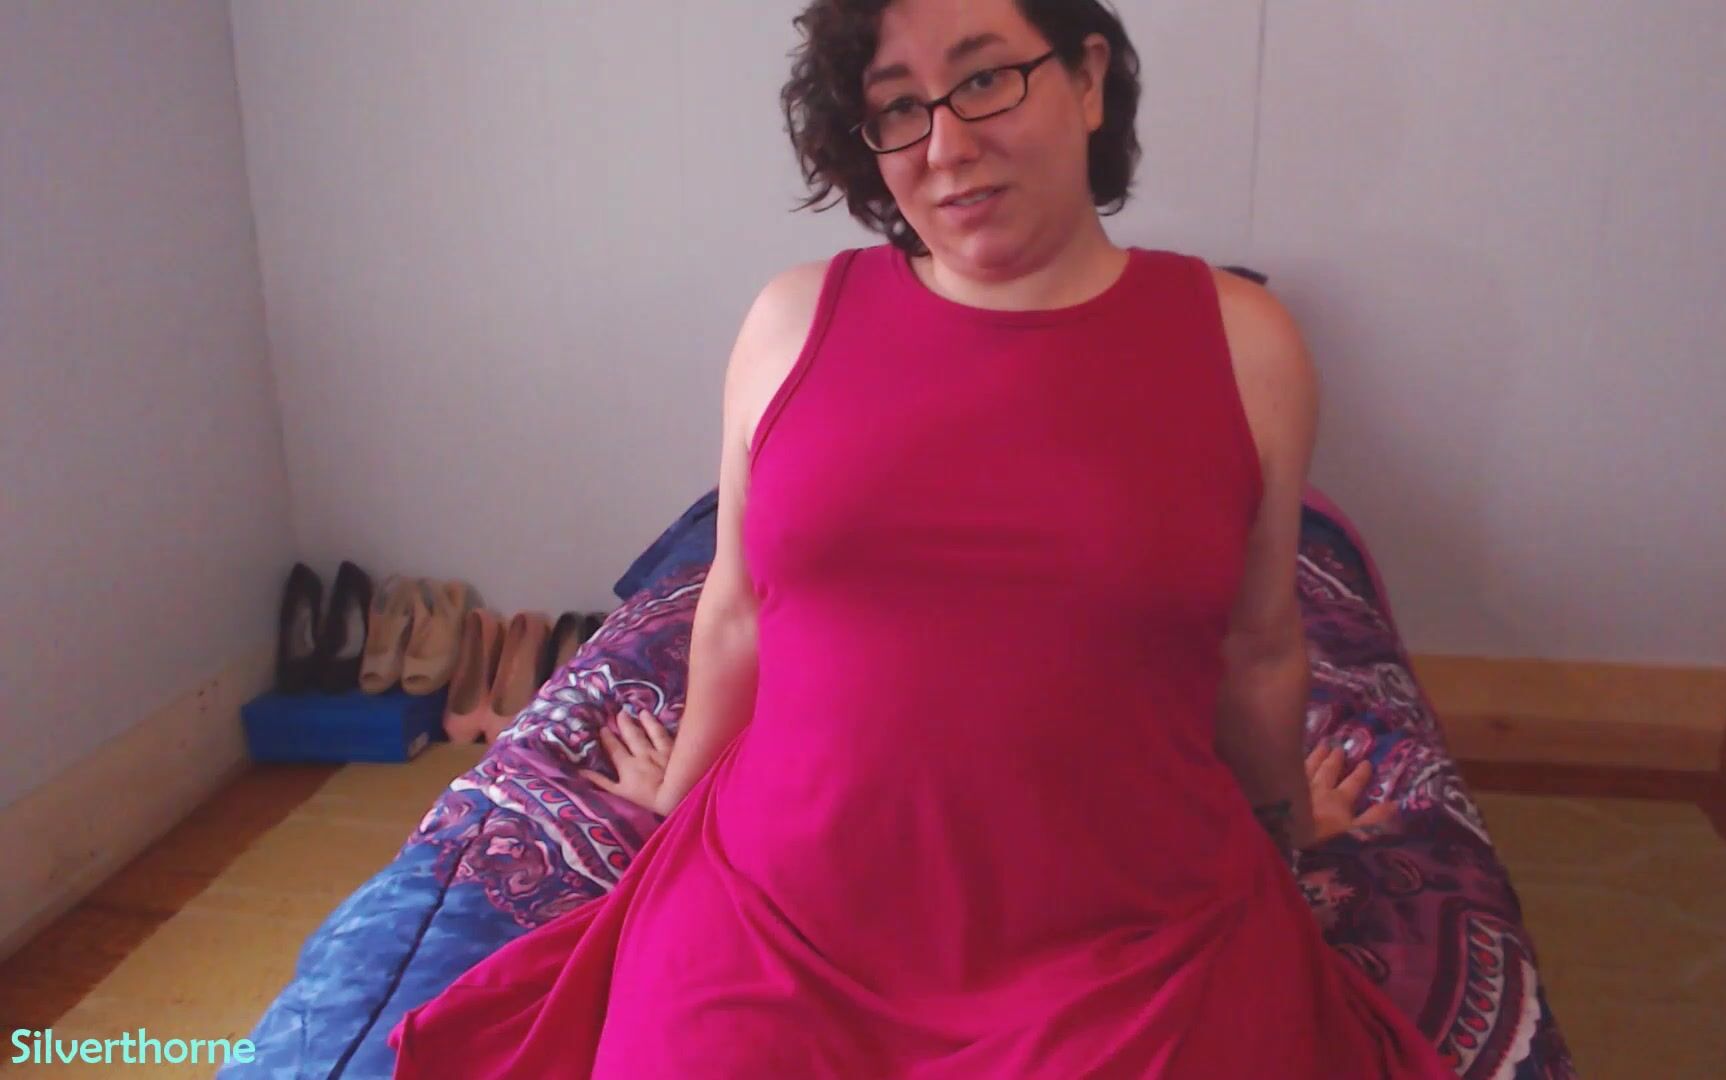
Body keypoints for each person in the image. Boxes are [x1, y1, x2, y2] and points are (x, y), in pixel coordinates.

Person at [389, 0, 1452, 1075]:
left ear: (1088, 79)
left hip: (1133, 939)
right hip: (777, 918)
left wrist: (1283, 835)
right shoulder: (789, 321)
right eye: (899, 107)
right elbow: (736, 612)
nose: (946, 146)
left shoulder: (1245, 342)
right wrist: (675, 811)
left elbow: (1259, 648)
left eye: (984, 80)